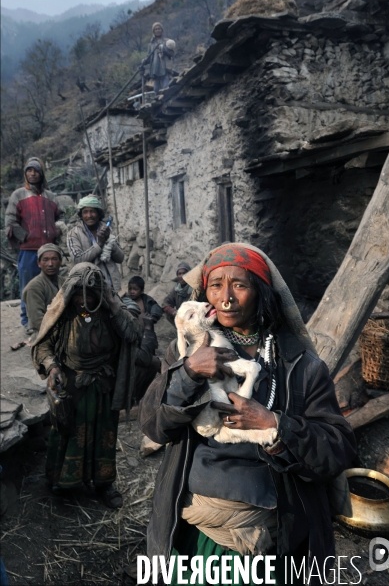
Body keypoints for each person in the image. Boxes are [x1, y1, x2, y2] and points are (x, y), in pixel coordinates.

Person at [139, 243, 357, 585]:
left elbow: (338, 450)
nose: (226, 298)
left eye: (239, 285)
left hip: (274, 537)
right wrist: (189, 373)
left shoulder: (300, 365)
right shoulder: (188, 352)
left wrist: (275, 425)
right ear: (204, 294)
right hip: (199, 531)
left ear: (261, 293)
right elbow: (154, 425)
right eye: (216, 286)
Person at [32, 262, 142, 509]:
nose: (83, 301)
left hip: (103, 386)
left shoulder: (114, 311)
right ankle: (65, 483)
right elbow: (43, 345)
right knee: (69, 433)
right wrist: (53, 367)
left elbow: (134, 334)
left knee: (104, 435)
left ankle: (103, 484)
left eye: (90, 294)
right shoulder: (62, 314)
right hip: (73, 387)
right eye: (78, 295)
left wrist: (113, 304)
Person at [5, 157, 63, 330]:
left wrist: (57, 230)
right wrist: (26, 236)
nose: (32, 173)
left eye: (36, 170)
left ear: (41, 173)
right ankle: (28, 322)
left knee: (53, 284)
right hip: (29, 250)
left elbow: (61, 217)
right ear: (25, 173)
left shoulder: (51, 196)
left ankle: (54, 318)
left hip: (49, 251)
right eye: (29, 170)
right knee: (29, 286)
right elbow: (10, 221)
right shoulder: (18, 194)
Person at [67, 195, 124, 292]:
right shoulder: (74, 233)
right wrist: (99, 244)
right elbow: (78, 259)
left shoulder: (107, 229)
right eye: (85, 212)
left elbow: (120, 258)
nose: (89, 216)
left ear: (98, 213)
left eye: (92, 211)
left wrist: (109, 241)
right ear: (81, 215)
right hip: (89, 286)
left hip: (111, 286)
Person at [22, 244, 65, 339]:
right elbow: (37, 320)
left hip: (66, 328)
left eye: (54, 259)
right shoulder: (34, 287)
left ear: (60, 261)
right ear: (39, 263)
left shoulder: (64, 282)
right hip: (46, 335)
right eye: (45, 260)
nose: (50, 264)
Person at [140, 22, 175, 95]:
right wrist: (144, 61)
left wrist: (164, 49)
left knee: (166, 89)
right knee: (156, 91)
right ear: (153, 31)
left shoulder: (167, 42)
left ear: (162, 30)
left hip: (165, 70)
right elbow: (149, 57)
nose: (157, 30)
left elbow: (172, 54)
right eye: (156, 29)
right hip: (155, 71)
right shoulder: (151, 44)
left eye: (159, 29)